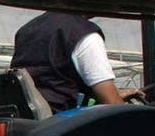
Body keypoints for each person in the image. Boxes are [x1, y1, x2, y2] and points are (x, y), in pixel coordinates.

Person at [10, 12, 142, 113]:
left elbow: (48, 80)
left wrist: (115, 94)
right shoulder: (84, 34)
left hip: (33, 118)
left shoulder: (26, 30)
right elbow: (111, 103)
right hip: (64, 124)